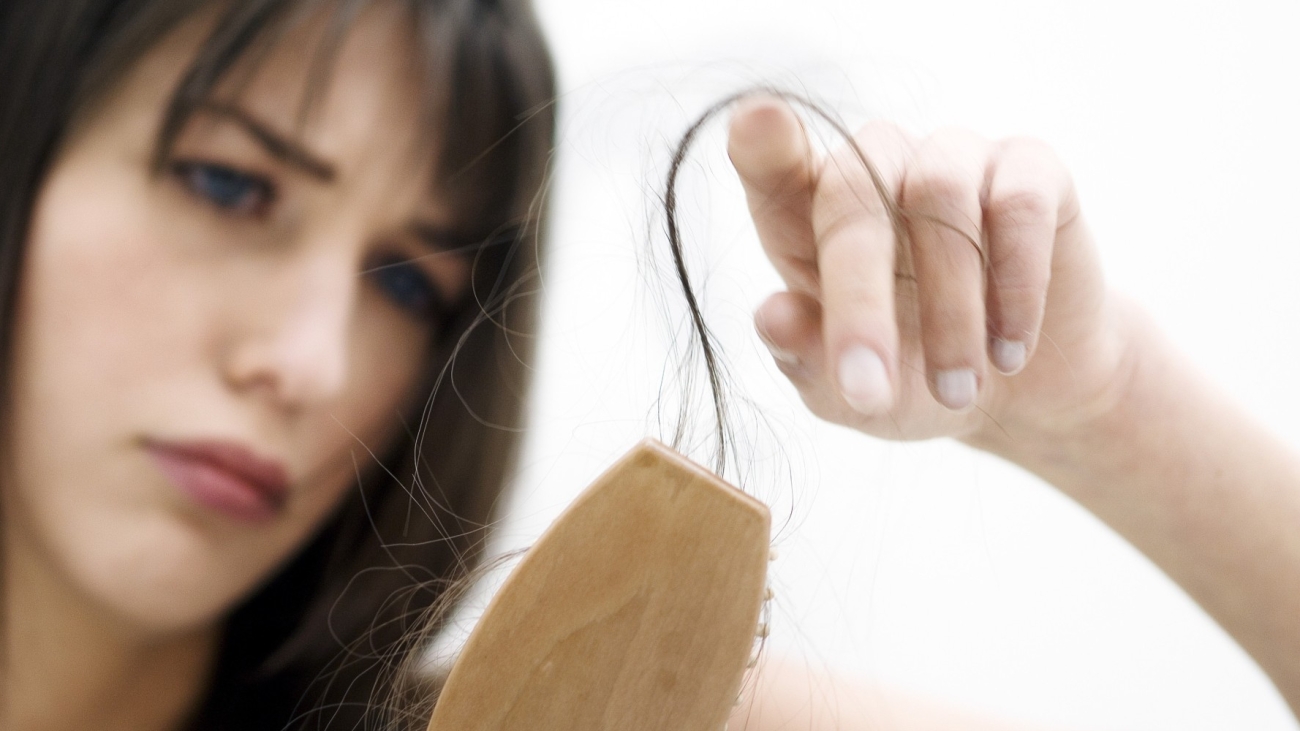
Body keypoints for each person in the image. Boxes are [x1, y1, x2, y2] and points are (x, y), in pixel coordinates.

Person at [0, 2, 1296, 731]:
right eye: (229, 184)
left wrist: (1102, 410)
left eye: (410, 282)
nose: (306, 361)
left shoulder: (585, 718)